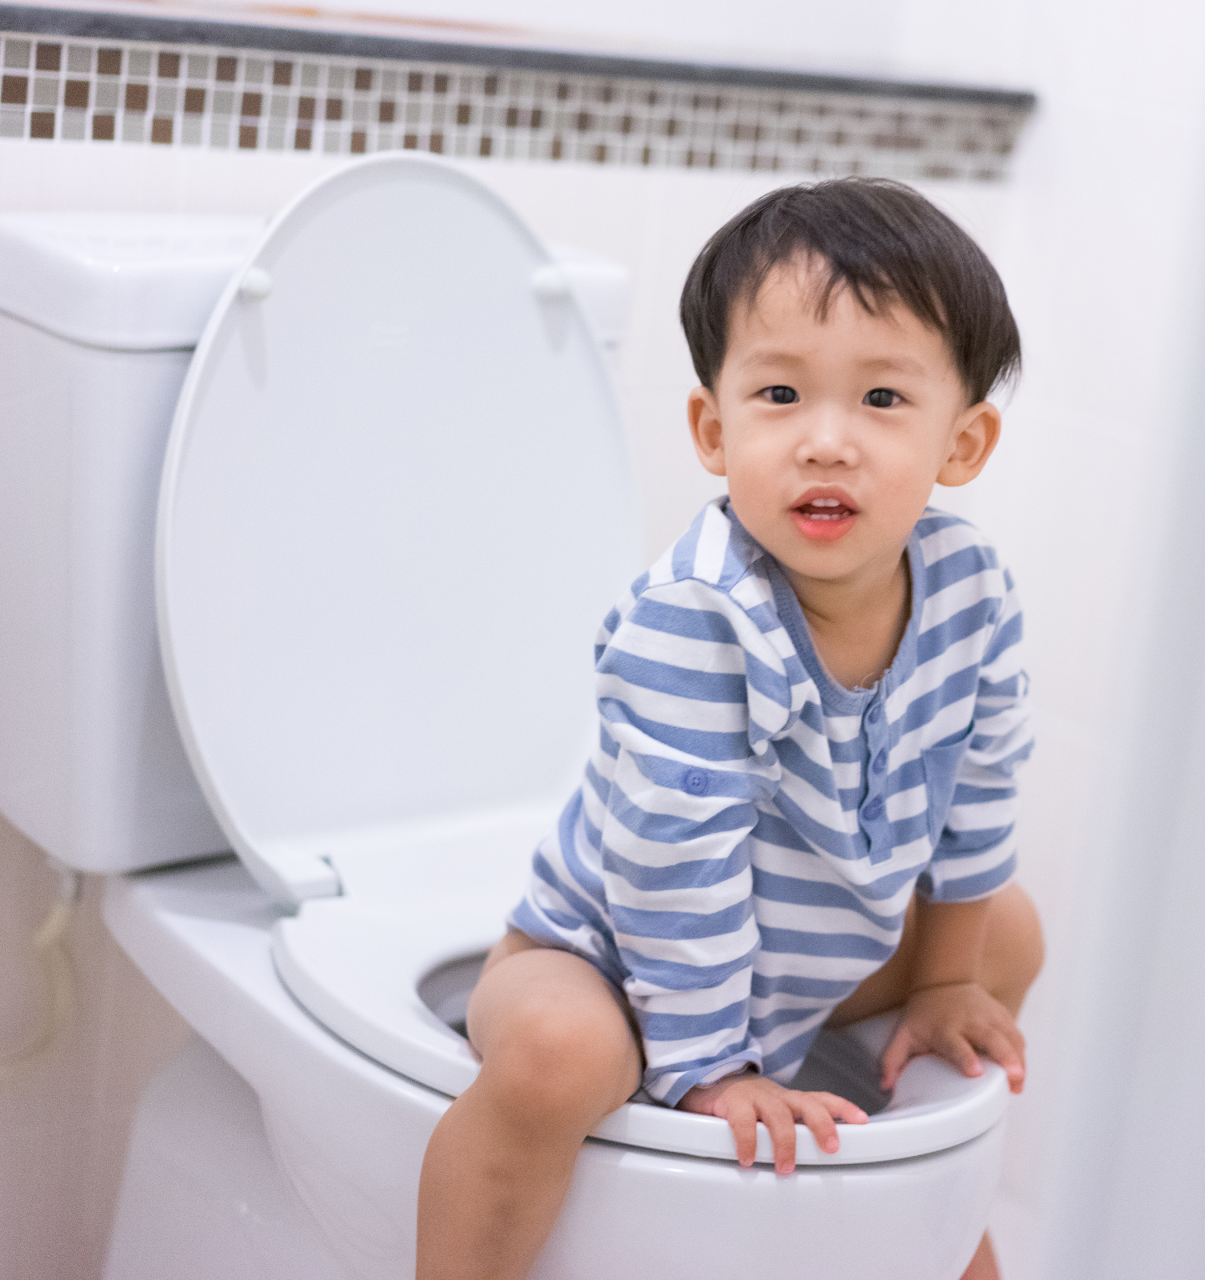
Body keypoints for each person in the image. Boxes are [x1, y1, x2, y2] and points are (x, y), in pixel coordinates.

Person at [417, 177, 1044, 1280]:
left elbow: (980, 791)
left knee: (1007, 935)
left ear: (965, 443)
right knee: (561, 1055)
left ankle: (913, 1210)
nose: (827, 442)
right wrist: (713, 1067)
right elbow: (672, 862)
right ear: (714, 427)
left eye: (884, 400)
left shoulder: (971, 592)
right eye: (781, 394)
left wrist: (946, 979)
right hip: (605, 956)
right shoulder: (696, 613)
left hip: (794, 964)